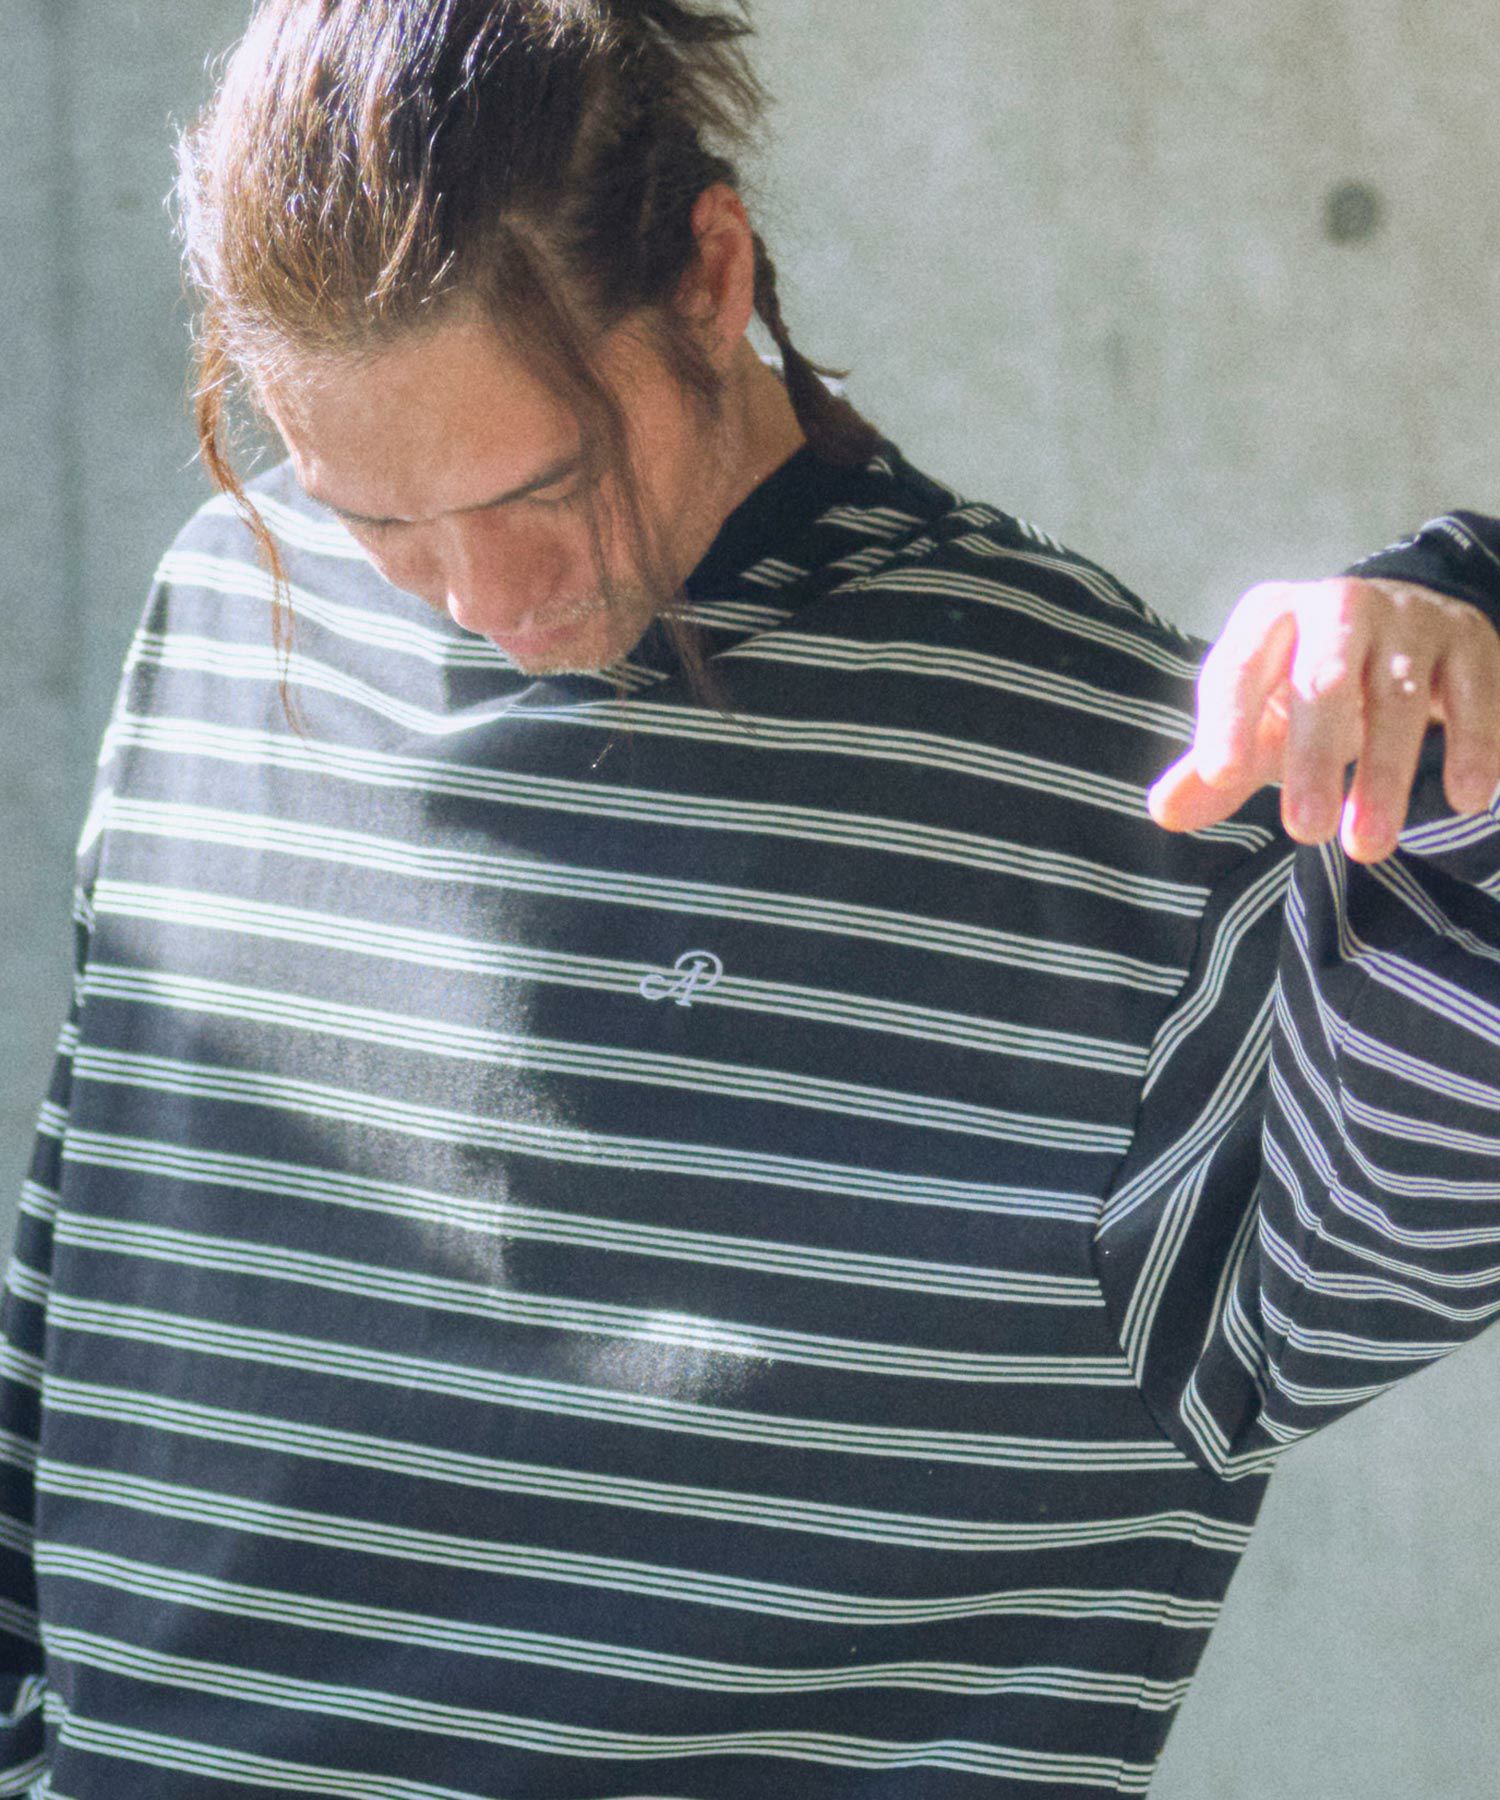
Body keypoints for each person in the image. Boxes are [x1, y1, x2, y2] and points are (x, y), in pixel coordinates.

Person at [3, 1, 1497, 1794]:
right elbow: (77, 1295)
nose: (482, 592)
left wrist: (1473, 645)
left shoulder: (1137, 804)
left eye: (543, 485)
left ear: (711, 274)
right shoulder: (241, 609)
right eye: (380, 518)